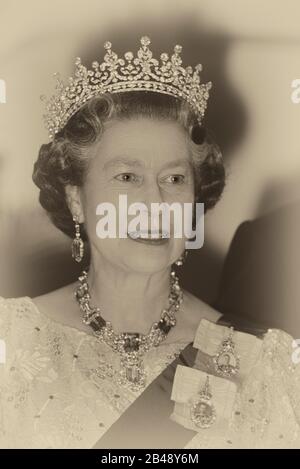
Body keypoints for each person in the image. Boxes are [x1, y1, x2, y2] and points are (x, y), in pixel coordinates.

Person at [0, 36, 299, 449]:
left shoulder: (265, 365)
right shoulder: (11, 344)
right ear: (76, 199)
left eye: (174, 179)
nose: (154, 203)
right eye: (127, 177)